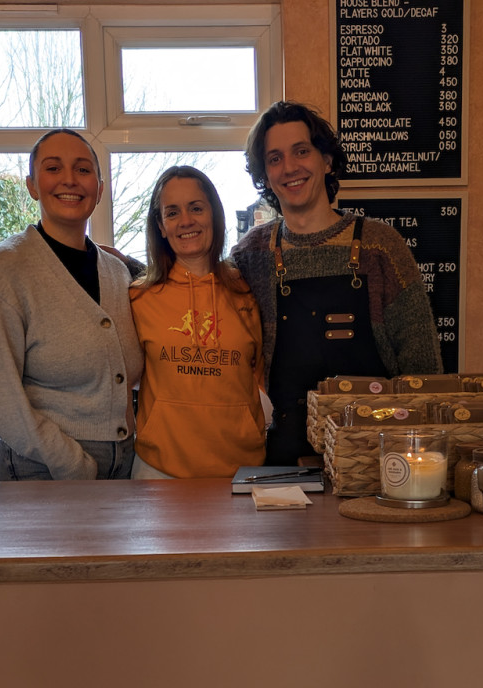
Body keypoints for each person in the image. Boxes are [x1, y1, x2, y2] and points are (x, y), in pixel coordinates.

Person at [231, 100, 443, 465]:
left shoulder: (380, 246)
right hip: (281, 463)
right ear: (265, 174)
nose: (290, 167)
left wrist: (417, 458)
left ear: (326, 160)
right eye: (275, 158)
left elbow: (423, 372)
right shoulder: (252, 254)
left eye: (301, 151)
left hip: (376, 459)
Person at [0, 129, 143, 480]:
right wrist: (68, 461)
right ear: (32, 185)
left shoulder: (117, 272)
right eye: (53, 168)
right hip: (42, 467)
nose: (70, 179)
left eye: (83, 169)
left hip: (124, 465)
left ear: (99, 189)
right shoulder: (1, 269)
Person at [129, 165, 266, 479]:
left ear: (213, 215)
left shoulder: (247, 291)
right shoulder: (139, 297)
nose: (186, 221)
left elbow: (261, 371)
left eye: (196, 208)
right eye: (172, 212)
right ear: (161, 226)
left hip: (241, 468)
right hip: (159, 469)